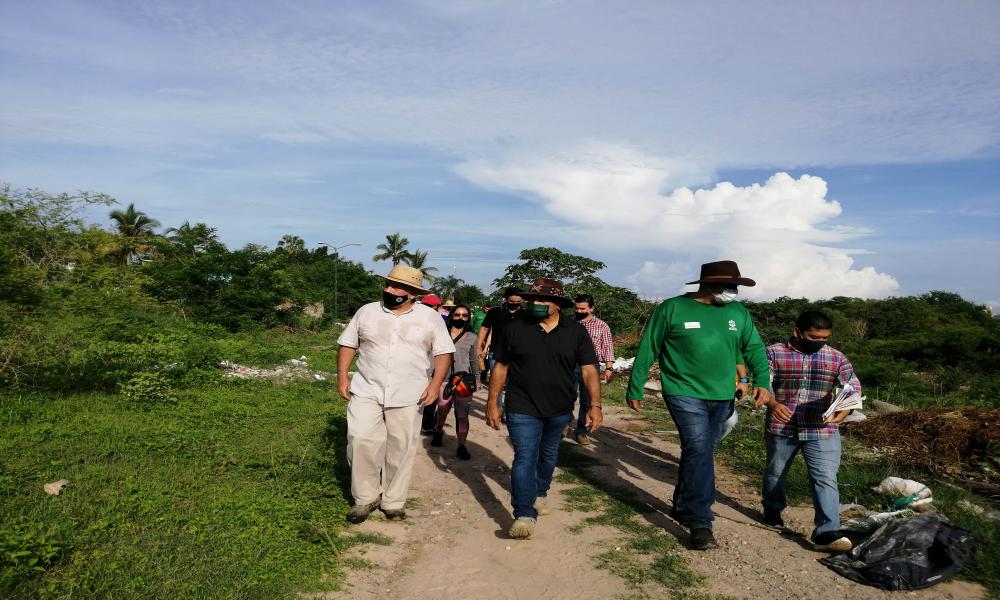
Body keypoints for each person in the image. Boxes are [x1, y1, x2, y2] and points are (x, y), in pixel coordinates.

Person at [625, 260, 771, 550]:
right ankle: (700, 521)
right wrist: (636, 385)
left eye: (736, 286)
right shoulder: (672, 308)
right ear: (708, 284)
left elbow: (753, 347)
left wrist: (762, 382)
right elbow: (649, 347)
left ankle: (682, 502)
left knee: (698, 451)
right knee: (699, 448)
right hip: (683, 390)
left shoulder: (737, 312)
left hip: (723, 394)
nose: (733, 292)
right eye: (730, 286)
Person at [486, 279, 602, 540]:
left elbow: (589, 369)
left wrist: (595, 405)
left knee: (548, 455)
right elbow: (501, 366)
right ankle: (524, 513)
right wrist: (493, 402)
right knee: (525, 455)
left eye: (542, 301)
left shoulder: (575, 332)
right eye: (533, 300)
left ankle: (540, 490)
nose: (536, 305)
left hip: (560, 408)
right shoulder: (515, 328)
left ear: (557, 304)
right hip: (521, 405)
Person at [337, 265, 455, 524]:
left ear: (413, 293)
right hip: (367, 387)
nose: (390, 290)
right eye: (388, 285)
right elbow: (348, 343)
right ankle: (365, 498)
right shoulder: (367, 312)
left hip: (409, 392)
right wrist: (342, 376)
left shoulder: (429, 318)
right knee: (360, 439)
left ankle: (393, 501)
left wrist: (435, 385)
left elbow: (443, 353)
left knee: (401, 447)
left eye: (397, 287)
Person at [756, 310, 859, 553]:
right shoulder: (773, 353)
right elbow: (762, 382)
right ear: (797, 332)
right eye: (814, 337)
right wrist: (772, 404)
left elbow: (852, 387)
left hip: (822, 428)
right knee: (775, 473)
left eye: (825, 338)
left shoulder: (836, 358)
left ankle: (826, 531)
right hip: (783, 425)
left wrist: (845, 410)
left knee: (825, 477)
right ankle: (772, 509)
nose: (820, 342)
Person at [431, 304, 479, 460]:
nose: (461, 318)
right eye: (457, 314)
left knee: (462, 415)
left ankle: (461, 445)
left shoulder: (472, 337)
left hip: (463, 381)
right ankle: (438, 431)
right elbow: (433, 356)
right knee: (442, 409)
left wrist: (477, 377)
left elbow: (473, 359)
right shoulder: (441, 334)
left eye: (465, 315)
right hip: (444, 380)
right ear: (451, 316)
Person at [570, 294, 615, 445]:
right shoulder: (568, 323)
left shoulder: (601, 326)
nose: (579, 311)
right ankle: (563, 424)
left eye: (583, 309)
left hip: (591, 367)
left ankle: (581, 431)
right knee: (566, 396)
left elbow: (607, 347)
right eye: (576, 308)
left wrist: (609, 368)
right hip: (569, 365)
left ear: (592, 308)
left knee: (586, 400)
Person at [477, 288, 524, 417]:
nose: (515, 303)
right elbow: (484, 328)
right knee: (496, 384)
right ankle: (496, 408)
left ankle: (508, 412)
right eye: (512, 301)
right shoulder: (495, 312)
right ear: (505, 299)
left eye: (518, 301)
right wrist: (478, 347)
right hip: (496, 353)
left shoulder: (526, 314)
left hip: (518, 355)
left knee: (513, 385)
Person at [418, 295, 445, 434]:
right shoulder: (439, 320)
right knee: (428, 393)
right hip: (427, 363)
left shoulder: (414, 317)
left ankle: (426, 423)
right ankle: (426, 424)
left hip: (427, 363)